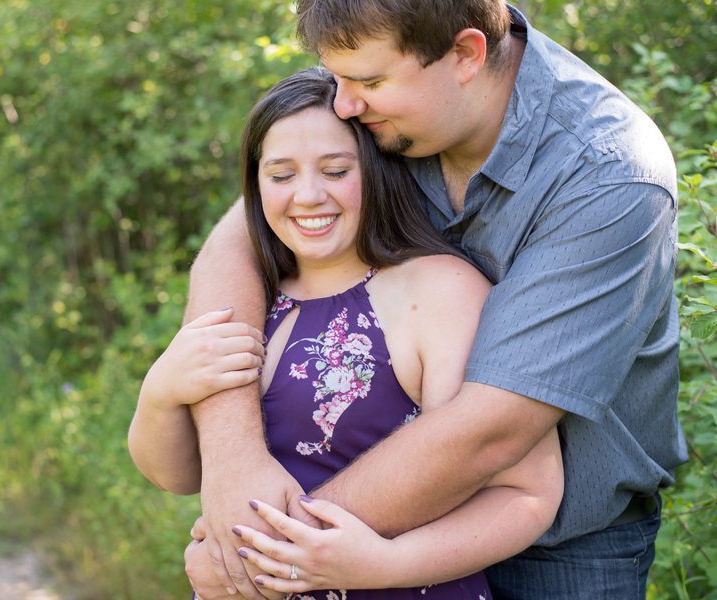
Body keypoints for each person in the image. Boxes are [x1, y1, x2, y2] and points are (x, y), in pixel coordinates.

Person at [180, 2, 686, 600]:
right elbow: (235, 241)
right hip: (351, 537)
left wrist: (262, 551)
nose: (343, 103)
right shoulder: (380, 106)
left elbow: (493, 431)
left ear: (467, 55)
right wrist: (233, 458)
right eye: (337, 78)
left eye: (368, 82)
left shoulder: (609, 175)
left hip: (560, 549)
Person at [129, 66, 563, 599]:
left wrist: (385, 563)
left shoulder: (437, 291)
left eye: (336, 171)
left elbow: (527, 493)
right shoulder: (251, 298)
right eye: (281, 175)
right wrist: (160, 392)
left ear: (380, 171)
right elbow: (177, 476)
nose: (307, 196)